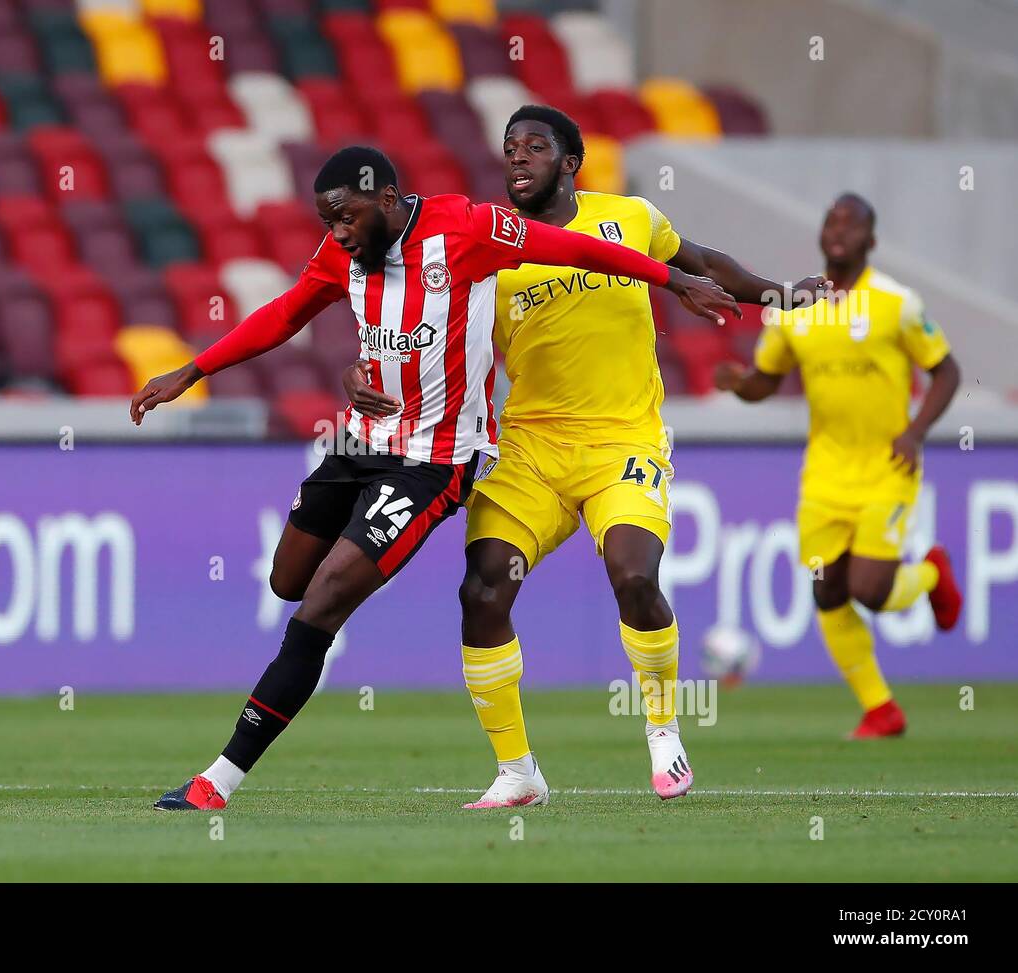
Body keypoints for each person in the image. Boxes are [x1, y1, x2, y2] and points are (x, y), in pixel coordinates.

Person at [131, 144, 737, 810]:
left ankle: (216, 781)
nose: (337, 233)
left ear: (387, 201)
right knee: (287, 579)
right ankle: (518, 774)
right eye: (327, 220)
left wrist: (669, 278)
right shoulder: (343, 254)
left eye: (346, 217)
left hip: (433, 463)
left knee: (323, 602)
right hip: (359, 445)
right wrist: (192, 371)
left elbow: (572, 250)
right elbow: (284, 314)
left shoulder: (469, 230)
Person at [346, 106, 829, 805]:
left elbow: (701, 264)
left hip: (622, 441)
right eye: (509, 148)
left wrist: (780, 294)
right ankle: (518, 773)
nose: (517, 159)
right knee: (483, 589)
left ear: (570, 162)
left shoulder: (629, 217)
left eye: (534, 147)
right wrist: (365, 372)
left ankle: (663, 731)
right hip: (532, 449)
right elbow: (412, 322)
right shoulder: (491, 247)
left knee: (633, 576)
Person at [714, 192, 962, 738]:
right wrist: (738, 384)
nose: (838, 229)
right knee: (827, 588)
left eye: (851, 223)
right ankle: (880, 708)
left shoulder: (897, 303)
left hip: (886, 469)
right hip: (825, 473)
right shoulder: (796, 307)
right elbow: (766, 380)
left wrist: (916, 432)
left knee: (872, 590)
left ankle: (930, 573)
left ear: (871, 241)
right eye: (831, 220)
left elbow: (946, 370)